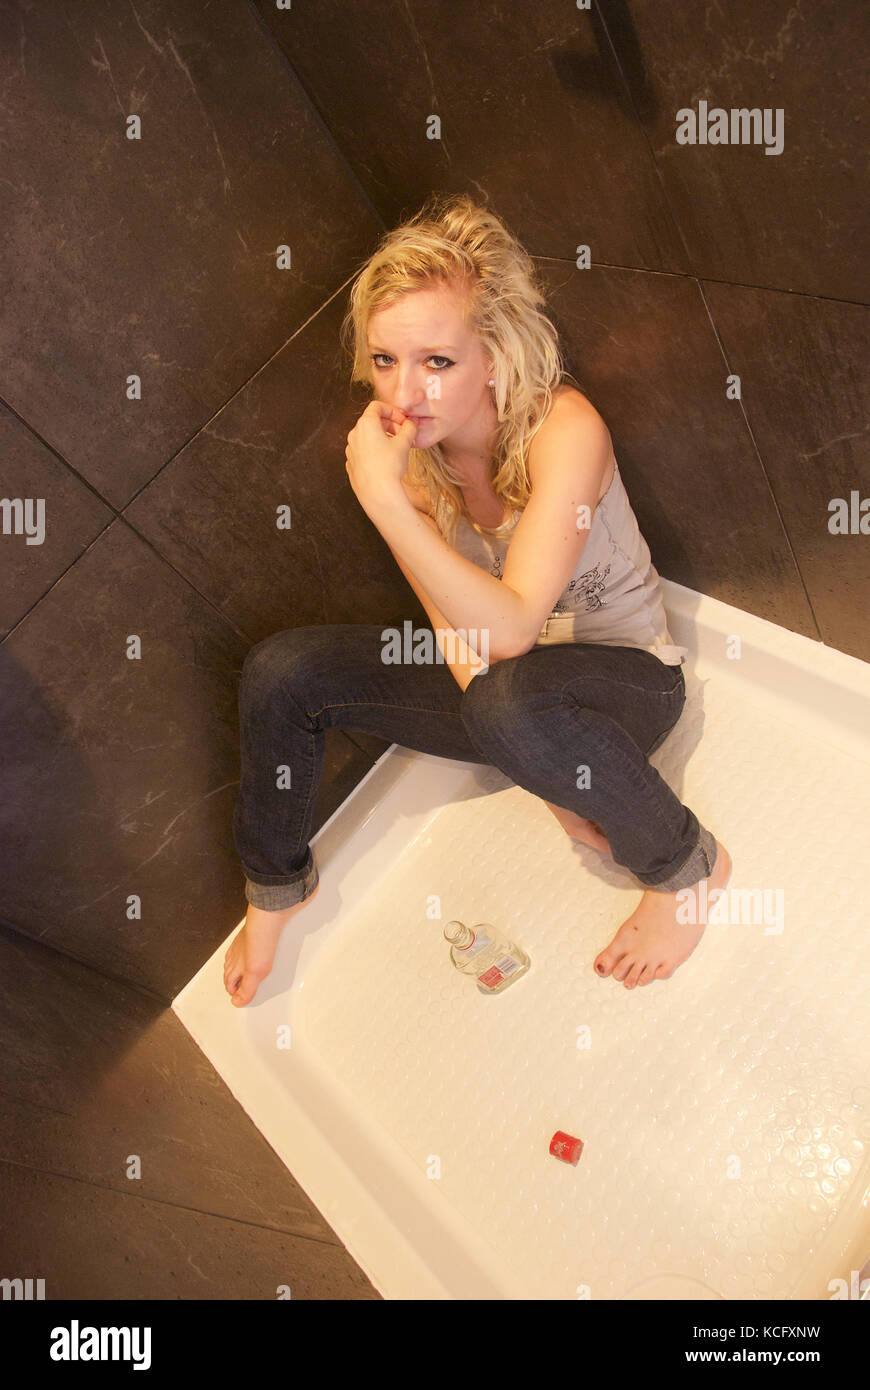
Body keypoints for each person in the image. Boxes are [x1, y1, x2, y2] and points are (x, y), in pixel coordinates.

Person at [225, 192, 730, 1007]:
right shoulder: (411, 463)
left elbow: (515, 628)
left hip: (627, 682)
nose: (406, 392)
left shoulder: (567, 431)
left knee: (510, 697)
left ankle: (685, 865)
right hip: (512, 699)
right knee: (283, 671)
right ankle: (277, 886)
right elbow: (460, 639)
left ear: (492, 354)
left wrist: (382, 503)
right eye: (387, 361)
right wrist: (550, 783)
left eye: (438, 361)